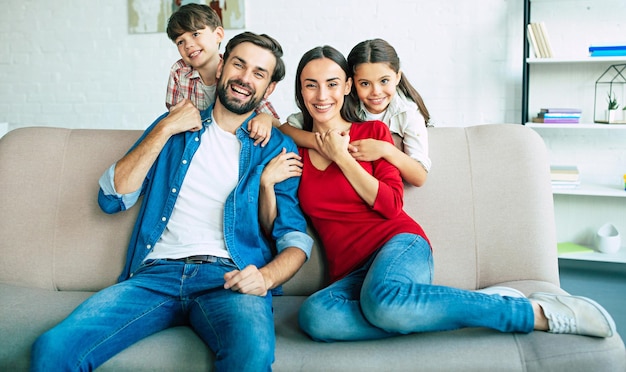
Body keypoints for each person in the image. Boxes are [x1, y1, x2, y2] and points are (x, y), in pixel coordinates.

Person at [292, 45, 616, 343]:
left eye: (332, 83)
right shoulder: (295, 146)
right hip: (350, 272)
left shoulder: (373, 134)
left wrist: (343, 158)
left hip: (397, 245)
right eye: (311, 85)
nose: (322, 94)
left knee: (383, 302)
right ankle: (434, 309)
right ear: (300, 91)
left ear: (347, 86)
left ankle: (533, 313)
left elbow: (391, 206)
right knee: (316, 318)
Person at [30, 32, 313, 372]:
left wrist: (265, 279)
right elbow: (112, 198)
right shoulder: (175, 126)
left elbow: (295, 239)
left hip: (229, 278)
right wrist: (164, 128)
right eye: (238, 65)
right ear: (221, 66)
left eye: (258, 73)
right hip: (154, 276)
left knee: (250, 358)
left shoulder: (276, 148)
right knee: (54, 349)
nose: (244, 78)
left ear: (269, 90)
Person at [279, 38, 431, 187]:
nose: (376, 92)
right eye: (365, 83)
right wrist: (321, 143)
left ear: (397, 77)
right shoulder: (345, 103)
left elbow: (420, 177)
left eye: (384, 81)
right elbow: (288, 128)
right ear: (351, 84)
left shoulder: (408, 113)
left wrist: (385, 149)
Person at [166, 3, 278, 147]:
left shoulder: (238, 75)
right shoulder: (179, 72)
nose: (188, 45)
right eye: (180, 42)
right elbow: (173, 114)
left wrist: (265, 118)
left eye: (195, 34)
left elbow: (273, 118)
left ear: (218, 35)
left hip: (236, 140)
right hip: (199, 140)